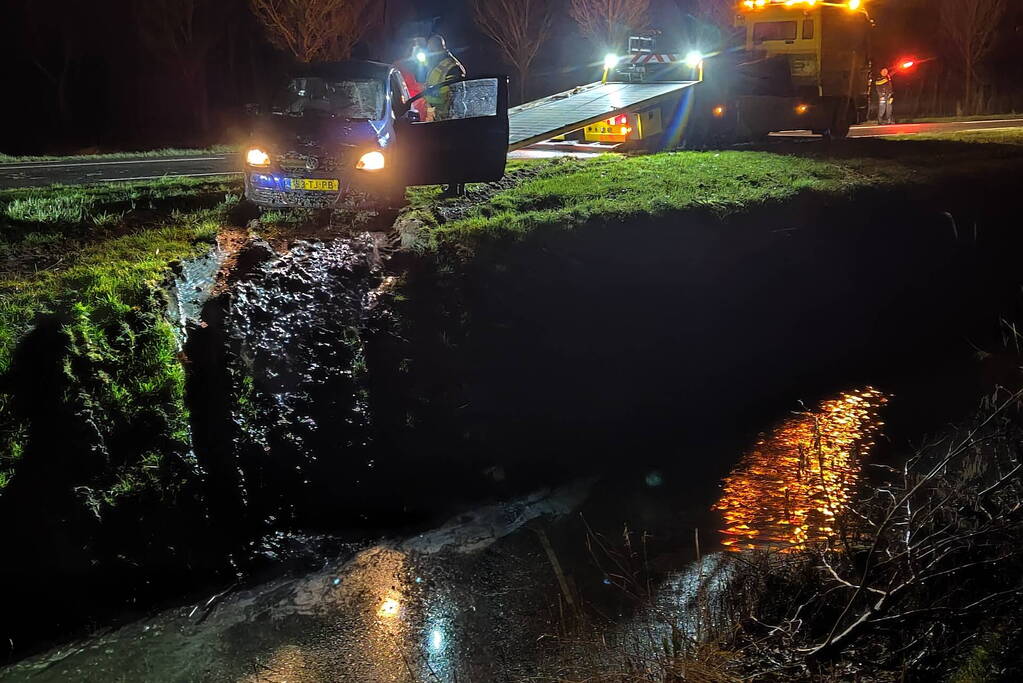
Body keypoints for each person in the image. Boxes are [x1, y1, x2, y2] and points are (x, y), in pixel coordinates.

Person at [423, 34, 467, 197]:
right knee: (449, 153)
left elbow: (454, 91)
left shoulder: (449, 65)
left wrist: (445, 108)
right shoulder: (440, 63)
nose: (428, 50)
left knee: (452, 153)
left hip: (451, 115)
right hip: (443, 113)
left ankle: (455, 188)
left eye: (430, 47)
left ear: (436, 47)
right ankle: (455, 186)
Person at [424, 34, 466, 122]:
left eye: (431, 48)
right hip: (436, 114)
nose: (429, 51)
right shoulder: (436, 64)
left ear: (438, 48)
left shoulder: (452, 67)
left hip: (449, 117)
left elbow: (456, 95)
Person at [396, 37, 429, 121]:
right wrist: (422, 87)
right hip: (409, 104)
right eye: (410, 48)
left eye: (413, 47)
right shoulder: (399, 66)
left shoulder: (416, 62)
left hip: (418, 104)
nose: (412, 50)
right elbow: (403, 85)